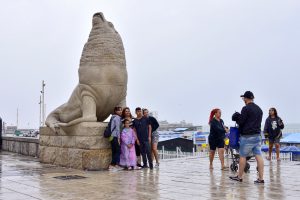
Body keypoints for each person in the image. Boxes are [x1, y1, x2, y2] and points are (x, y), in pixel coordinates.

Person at [230, 91, 264, 184]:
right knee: (258, 156)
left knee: (242, 156)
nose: (243, 100)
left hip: (247, 136)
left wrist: (236, 116)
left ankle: (239, 176)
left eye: (243, 98)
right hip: (257, 136)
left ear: (246, 98)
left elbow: (241, 121)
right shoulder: (259, 109)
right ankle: (261, 179)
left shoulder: (245, 108)